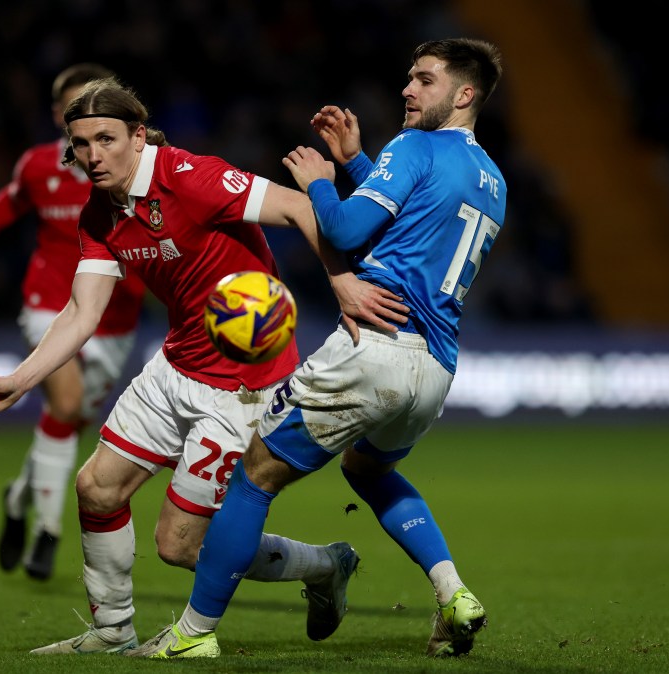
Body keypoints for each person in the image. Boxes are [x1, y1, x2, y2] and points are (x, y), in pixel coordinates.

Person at [0, 78, 407, 654]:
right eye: (80, 143)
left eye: (106, 138)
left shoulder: (189, 177)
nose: (93, 155)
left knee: (180, 545)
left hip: (242, 386)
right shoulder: (100, 213)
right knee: (96, 489)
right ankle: (110, 631)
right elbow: (81, 312)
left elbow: (299, 205)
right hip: (175, 367)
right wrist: (20, 382)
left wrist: (344, 284)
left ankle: (324, 566)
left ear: (137, 135)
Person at [128, 37, 506, 659]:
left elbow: (346, 230)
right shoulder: (492, 178)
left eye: (425, 80)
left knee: (253, 478)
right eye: (408, 77)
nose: (407, 89)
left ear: (465, 94)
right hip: (435, 365)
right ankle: (453, 591)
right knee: (368, 469)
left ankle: (192, 636)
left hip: (375, 343)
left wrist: (321, 181)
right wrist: (360, 164)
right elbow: (413, 222)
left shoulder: (415, 145)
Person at [0, 64, 147, 581]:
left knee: (65, 422)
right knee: (66, 405)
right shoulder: (37, 168)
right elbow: (8, 204)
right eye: (78, 110)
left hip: (117, 321)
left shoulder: (136, 170)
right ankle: (47, 532)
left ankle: (19, 495)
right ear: (60, 116)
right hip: (50, 305)